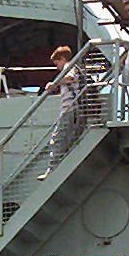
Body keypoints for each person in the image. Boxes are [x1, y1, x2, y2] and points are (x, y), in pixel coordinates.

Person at [39, 46, 84, 178]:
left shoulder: (69, 67)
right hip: (77, 109)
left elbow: (69, 78)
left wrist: (54, 84)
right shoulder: (77, 68)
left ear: (63, 59)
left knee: (57, 138)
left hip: (70, 110)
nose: (57, 66)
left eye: (57, 63)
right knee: (70, 139)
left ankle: (53, 168)